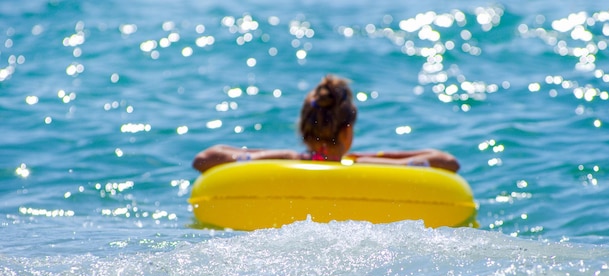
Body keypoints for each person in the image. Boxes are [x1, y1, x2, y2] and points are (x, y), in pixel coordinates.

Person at [192, 75, 460, 173]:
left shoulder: (285, 159)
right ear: (347, 132)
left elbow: (204, 158)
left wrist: (251, 157)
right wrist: (376, 156)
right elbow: (447, 162)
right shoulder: (364, 165)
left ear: (304, 129)